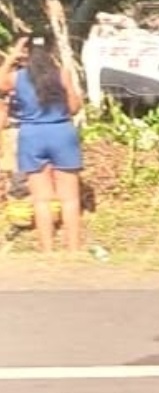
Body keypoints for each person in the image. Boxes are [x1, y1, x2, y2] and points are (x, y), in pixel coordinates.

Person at [0, 35, 84, 252]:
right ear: (51, 51)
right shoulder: (61, 74)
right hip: (61, 133)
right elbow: (74, 107)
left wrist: (11, 57)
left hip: (32, 136)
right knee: (70, 199)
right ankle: (73, 249)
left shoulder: (17, 78)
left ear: (26, 52)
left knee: (42, 200)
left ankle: (46, 250)